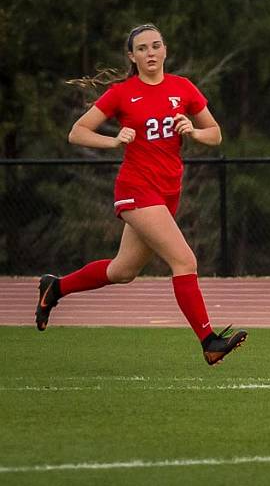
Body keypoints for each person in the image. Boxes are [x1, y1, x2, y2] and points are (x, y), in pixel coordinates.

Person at [35, 23, 247, 366]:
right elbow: (77, 132)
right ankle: (209, 341)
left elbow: (216, 134)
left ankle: (55, 287)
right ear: (132, 56)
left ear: (165, 51)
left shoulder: (183, 88)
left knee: (122, 271)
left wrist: (193, 130)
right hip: (136, 189)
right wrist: (114, 140)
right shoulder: (122, 92)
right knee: (185, 261)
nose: (150, 53)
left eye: (156, 46)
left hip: (168, 192)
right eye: (143, 48)